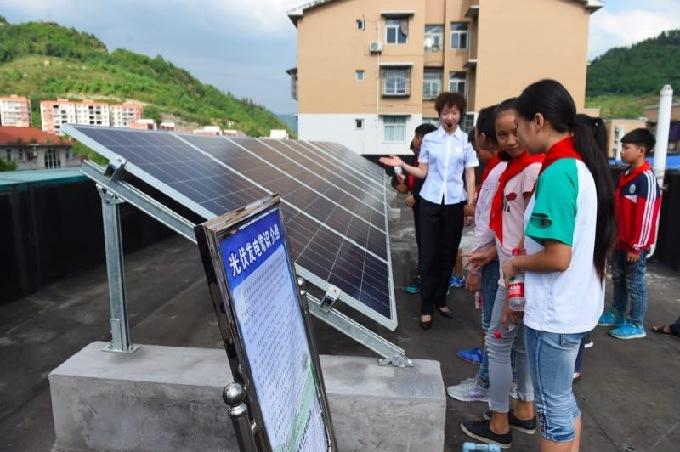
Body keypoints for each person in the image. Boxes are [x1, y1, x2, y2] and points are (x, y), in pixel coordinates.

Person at [502, 79, 616, 452]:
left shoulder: (557, 174)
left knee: (552, 410)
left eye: (518, 127)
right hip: (573, 308)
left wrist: (515, 263)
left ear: (538, 121)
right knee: (563, 400)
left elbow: (557, 257)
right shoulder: (579, 168)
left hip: (554, 315)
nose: (516, 137)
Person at [460, 99, 542, 449]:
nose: (509, 140)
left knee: (496, 343)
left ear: (531, 125)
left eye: (515, 132)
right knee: (521, 346)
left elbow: (526, 232)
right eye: (501, 134)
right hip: (517, 272)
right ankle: (523, 411)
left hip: (517, 276)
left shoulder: (531, 171)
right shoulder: (515, 168)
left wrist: (511, 278)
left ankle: (498, 423)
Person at [379, 92, 478, 330]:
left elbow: (470, 173)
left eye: (454, 112)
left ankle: (440, 300)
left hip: (455, 204)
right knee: (428, 255)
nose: (449, 117)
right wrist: (403, 165)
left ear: (460, 115)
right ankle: (426, 307)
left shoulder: (465, 142)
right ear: (440, 114)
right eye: (445, 112)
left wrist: (470, 203)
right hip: (429, 203)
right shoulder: (430, 140)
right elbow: (423, 172)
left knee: (447, 255)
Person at [447, 105, 505, 400]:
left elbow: (489, 227)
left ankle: (485, 386)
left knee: (493, 329)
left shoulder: (498, 173)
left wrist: (473, 269)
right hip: (498, 259)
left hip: (493, 261)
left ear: (482, 138)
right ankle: (491, 384)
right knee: (497, 330)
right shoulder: (502, 171)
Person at [598, 128, 661, 340]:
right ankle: (617, 314)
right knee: (619, 279)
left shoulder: (646, 179)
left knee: (635, 283)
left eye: (626, 148)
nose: (622, 152)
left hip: (635, 246)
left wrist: (637, 246)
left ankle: (636, 324)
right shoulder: (625, 176)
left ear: (641, 151)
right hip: (619, 242)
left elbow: (646, 217)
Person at [572, 113, 607, 381]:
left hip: (576, 267)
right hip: (591, 265)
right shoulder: (599, 174)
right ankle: (576, 364)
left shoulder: (577, 175)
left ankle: (574, 366)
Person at [401, 123, 439, 294]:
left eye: (417, 137)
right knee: (423, 244)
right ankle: (426, 278)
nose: (415, 142)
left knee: (429, 245)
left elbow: (431, 182)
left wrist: (415, 195)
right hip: (421, 210)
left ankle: (427, 280)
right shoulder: (420, 157)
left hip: (430, 211)